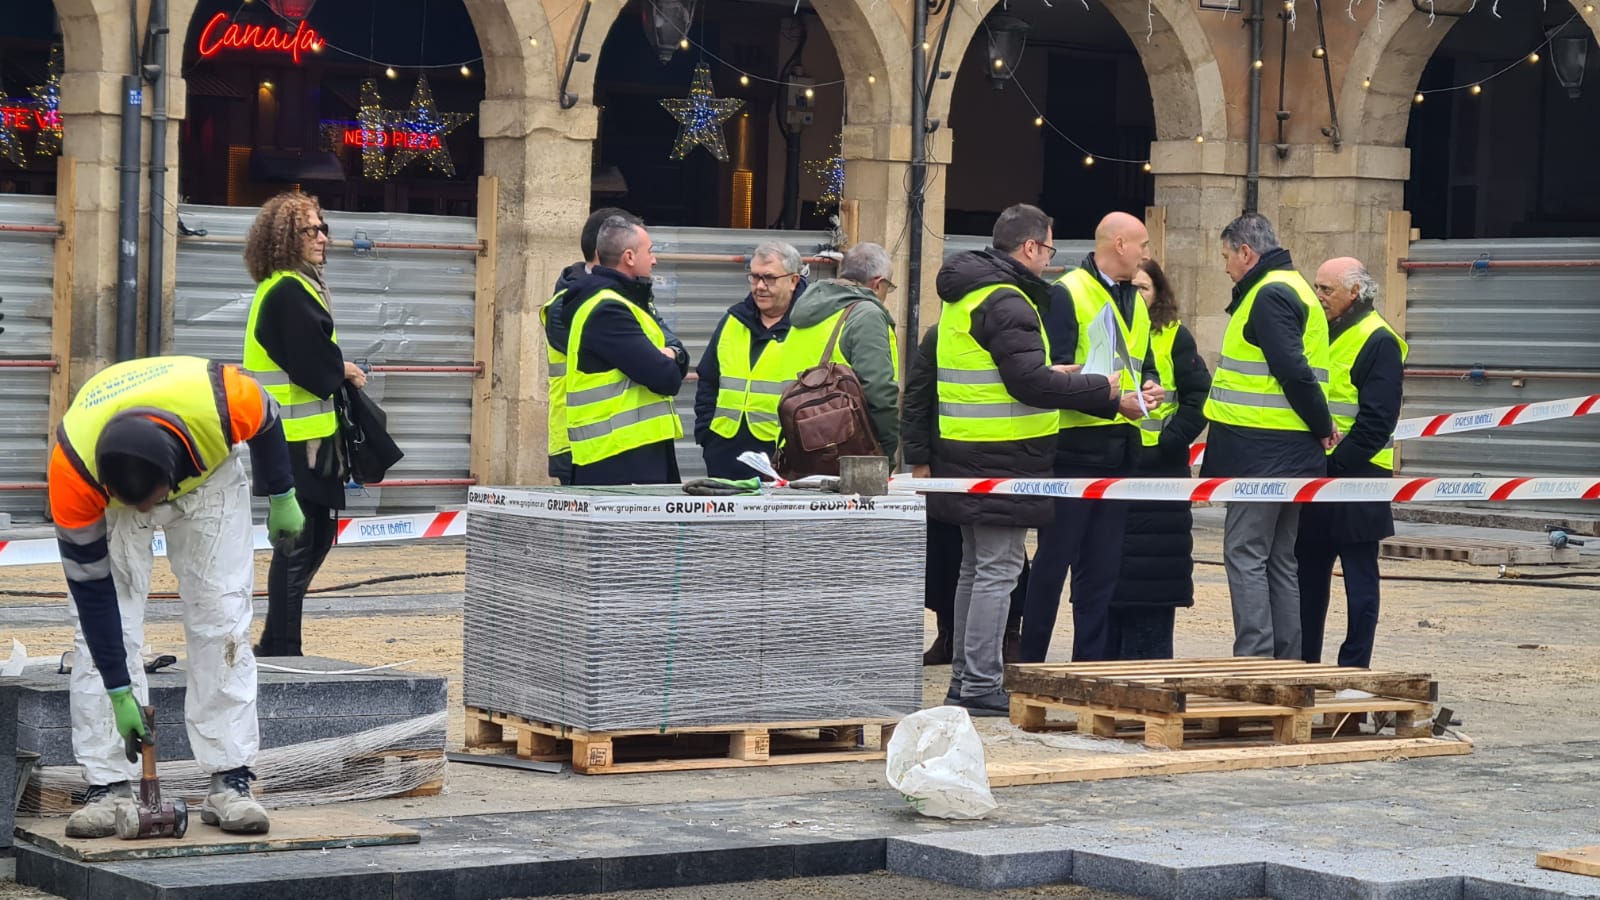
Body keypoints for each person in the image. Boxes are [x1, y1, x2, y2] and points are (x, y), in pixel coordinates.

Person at [50, 356, 303, 837]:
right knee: (100, 634)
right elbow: (94, 594)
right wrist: (119, 691)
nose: (148, 512)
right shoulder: (74, 472)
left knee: (222, 620)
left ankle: (230, 778)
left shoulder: (225, 400)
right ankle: (108, 784)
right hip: (110, 487)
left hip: (210, 481)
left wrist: (283, 494)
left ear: (171, 475)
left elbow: (269, 418)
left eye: (150, 500)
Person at [931, 203, 1129, 716]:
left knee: (976, 570)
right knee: (997, 571)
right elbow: (1028, 384)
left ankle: (964, 679)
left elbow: (1004, 373)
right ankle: (979, 683)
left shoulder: (970, 293)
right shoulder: (1009, 300)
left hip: (967, 449)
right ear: (1030, 248)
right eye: (1048, 248)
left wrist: (1060, 372)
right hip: (1004, 453)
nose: (1049, 258)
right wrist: (1097, 386)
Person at [1021, 212, 1165, 663]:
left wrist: (1151, 387)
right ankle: (1030, 663)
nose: (1147, 253)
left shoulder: (1137, 302)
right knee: (1052, 565)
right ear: (1119, 244)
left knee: (1101, 571)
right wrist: (1110, 403)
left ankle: (1089, 668)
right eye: (1142, 244)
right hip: (1075, 452)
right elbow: (1056, 374)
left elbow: (1144, 363)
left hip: (1120, 451)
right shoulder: (1068, 293)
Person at [1202, 213, 1335, 660]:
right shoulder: (1293, 287)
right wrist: (1318, 428)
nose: (1225, 267)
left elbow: (1293, 371)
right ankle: (1285, 662)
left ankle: (1255, 664)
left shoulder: (1269, 293)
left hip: (1259, 452)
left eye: (1226, 257)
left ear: (1246, 252)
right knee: (1279, 559)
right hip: (1288, 450)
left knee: (1244, 555)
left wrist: (1322, 424)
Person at [241, 191, 367, 658]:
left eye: (322, 227)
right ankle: (283, 648)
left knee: (311, 539)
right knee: (299, 547)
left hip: (300, 442)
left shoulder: (286, 287)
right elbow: (313, 367)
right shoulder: (288, 291)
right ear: (284, 239)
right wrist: (346, 370)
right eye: (309, 230)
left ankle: (277, 639)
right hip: (296, 443)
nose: (321, 237)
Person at [1297, 257, 1405, 669]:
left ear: (1355, 292)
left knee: (1360, 581)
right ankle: (1304, 667)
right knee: (1308, 578)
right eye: (1317, 287)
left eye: (1327, 290)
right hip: (1317, 474)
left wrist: (1335, 465)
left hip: (1359, 476)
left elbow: (1377, 421)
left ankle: (1353, 670)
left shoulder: (1377, 339)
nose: (1318, 296)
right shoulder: (1321, 331)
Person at [902, 324, 1030, 666]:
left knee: (1001, 557)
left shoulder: (1012, 330)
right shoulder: (939, 334)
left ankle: (1009, 634)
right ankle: (950, 636)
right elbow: (917, 397)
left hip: (1002, 464)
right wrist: (919, 459)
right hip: (948, 463)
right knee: (948, 555)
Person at [1108, 259, 1211, 659]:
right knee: (1113, 576)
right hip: (1116, 468)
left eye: (1144, 288)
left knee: (1153, 580)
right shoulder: (1112, 334)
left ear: (1159, 294)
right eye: (1129, 288)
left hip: (1160, 476)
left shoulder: (1173, 337)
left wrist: (1171, 441)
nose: (1136, 296)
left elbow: (1198, 397)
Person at [543, 215, 688, 485]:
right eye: (650, 251)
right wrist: (667, 356)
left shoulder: (622, 300)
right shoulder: (608, 309)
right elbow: (664, 376)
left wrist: (672, 354)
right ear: (629, 257)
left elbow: (676, 352)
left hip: (629, 452)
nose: (654, 259)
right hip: (620, 457)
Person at [544, 207, 640, 485]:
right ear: (605, 249)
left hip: (616, 442)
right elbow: (643, 361)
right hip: (579, 444)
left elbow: (671, 348)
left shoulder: (626, 296)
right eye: (629, 247)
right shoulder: (570, 303)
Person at [694, 241, 806, 478]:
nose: (760, 286)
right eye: (755, 277)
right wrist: (707, 435)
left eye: (770, 278)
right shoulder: (734, 320)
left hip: (785, 456)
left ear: (794, 281)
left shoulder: (811, 327)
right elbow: (708, 379)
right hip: (725, 453)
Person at [783, 242, 902, 459]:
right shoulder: (866, 315)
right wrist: (885, 448)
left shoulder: (806, 309)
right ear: (877, 284)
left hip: (798, 444)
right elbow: (879, 391)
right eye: (888, 287)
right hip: (845, 449)